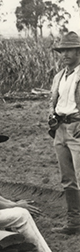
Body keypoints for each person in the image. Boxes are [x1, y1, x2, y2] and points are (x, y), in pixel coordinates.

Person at [49, 31, 80, 234]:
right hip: (60, 128)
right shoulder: (59, 76)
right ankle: (74, 222)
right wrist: (51, 115)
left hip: (77, 128)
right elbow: (55, 101)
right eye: (62, 50)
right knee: (67, 178)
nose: (65, 54)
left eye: (69, 50)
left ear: (78, 51)